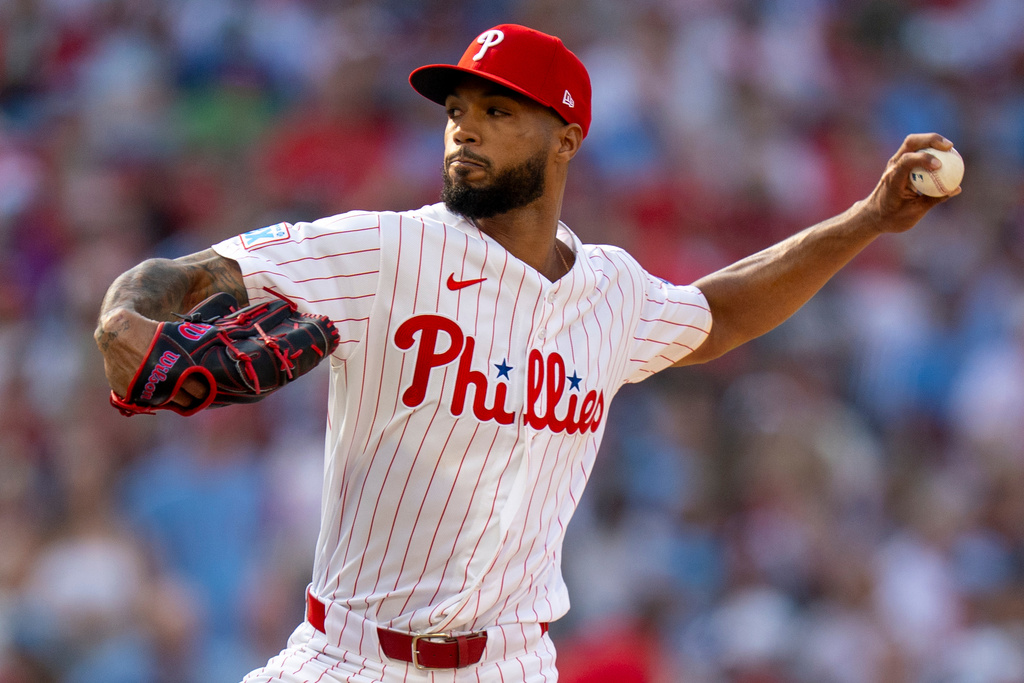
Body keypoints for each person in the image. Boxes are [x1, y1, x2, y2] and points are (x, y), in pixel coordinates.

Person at [94, 23, 960, 683]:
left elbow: (721, 312)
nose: (464, 130)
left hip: (512, 662)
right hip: (349, 658)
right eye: (458, 112)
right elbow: (185, 274)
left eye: (497, 113)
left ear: (566, 137)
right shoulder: (388, 250)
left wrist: (870, 218)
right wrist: (124, 320)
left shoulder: (611, 292)